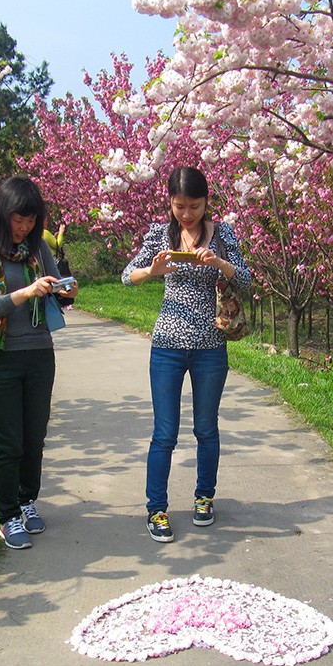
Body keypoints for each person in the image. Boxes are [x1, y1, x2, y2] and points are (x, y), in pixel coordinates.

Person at [121, 166, 252, 543]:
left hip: (211, 345)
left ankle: (204, 498)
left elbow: (245, 278)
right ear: (171, 203)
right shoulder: (160, 234)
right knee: (164, 433)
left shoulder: (223, 233)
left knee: (206, 428)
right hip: (168, 346)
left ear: (206, 201)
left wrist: (220, 264)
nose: (187, 213)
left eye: (194, 205)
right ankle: (156, 509)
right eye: (179, 206)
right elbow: (126, 276)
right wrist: (152, 269)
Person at [0, 176, 78, 549]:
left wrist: (65, 290)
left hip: (39, 354)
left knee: (35, 439)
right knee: (9, 442)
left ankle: (27, 501)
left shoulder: (35, 249)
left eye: (31, 221)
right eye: (18, 219)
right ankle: (8, 516)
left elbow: (55, 289)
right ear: (1, 214)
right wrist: (26, 291)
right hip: (0, 356)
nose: (25, 227)